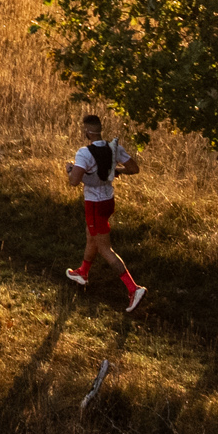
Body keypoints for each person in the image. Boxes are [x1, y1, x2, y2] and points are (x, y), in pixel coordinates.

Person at [64, 112, 146, 311]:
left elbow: (74, 182)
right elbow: (134, 169)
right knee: (91, 236)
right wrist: (117, 171)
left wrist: (69, 170)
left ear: (87, 132)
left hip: (94, 204)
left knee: (104, 248)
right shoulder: (114, 149)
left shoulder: (84, 153)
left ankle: (133, 288)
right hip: (109, 201)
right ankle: (83, 272)